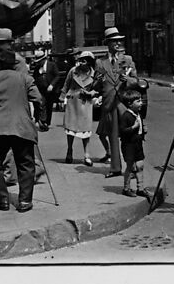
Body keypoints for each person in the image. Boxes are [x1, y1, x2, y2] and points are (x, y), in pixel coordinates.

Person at [0, 48, 43, 213]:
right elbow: (38, 99)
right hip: (21, 126)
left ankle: (2, 199)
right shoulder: (25, 78)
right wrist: (39, 119)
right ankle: (25, 201)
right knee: (25, 163)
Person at [95, 27, 138, 178]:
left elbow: (136, 81)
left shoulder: (128, 60)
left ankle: (132, 168)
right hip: (109, 104)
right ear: (108, 43)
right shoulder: (100, 62)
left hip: (125, 102)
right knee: (113, 137)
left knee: (129, 137)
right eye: (114, 41)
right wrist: (97, 81)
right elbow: (96, 85)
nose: (118, 43)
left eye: (119, 40)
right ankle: (115, 168)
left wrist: (129, 80)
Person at [59, 51, 99, 166]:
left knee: (85, 130)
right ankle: (69, 151)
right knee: (71, 129)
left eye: (84, 60)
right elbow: (66, 85)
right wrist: (62, 99)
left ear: (90, 62)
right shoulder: (73, 71)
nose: (81, 62)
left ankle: (86, 155)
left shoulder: (94, 73)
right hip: (73, 101)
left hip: (86, 102)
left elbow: (98, 88)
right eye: (80, 60)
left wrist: (92, 93)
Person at [118, 89, 151, 198]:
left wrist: (143, 130)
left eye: (141, 100)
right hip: (129, 145)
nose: (141, 103)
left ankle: (140, 188)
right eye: (138, 101)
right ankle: (126, 188)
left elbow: (140, 127)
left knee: (140, 165)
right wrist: (133, 127)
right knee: (131, 167)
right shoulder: (126, 116)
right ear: (130, 104)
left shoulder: (138, 114)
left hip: (137, 144)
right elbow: (122, 131)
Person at [32, 51, 60, 127]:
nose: (39, 63)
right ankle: (41, 120)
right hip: (40, 89)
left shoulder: (52, 65)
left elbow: (57, 76)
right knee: (41, 104)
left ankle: (47, 122)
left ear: (44, 59)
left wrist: (52, 85)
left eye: (40, 61)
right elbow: (35, 77)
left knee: (49, 105)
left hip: (50, 89)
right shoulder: (37, 67)